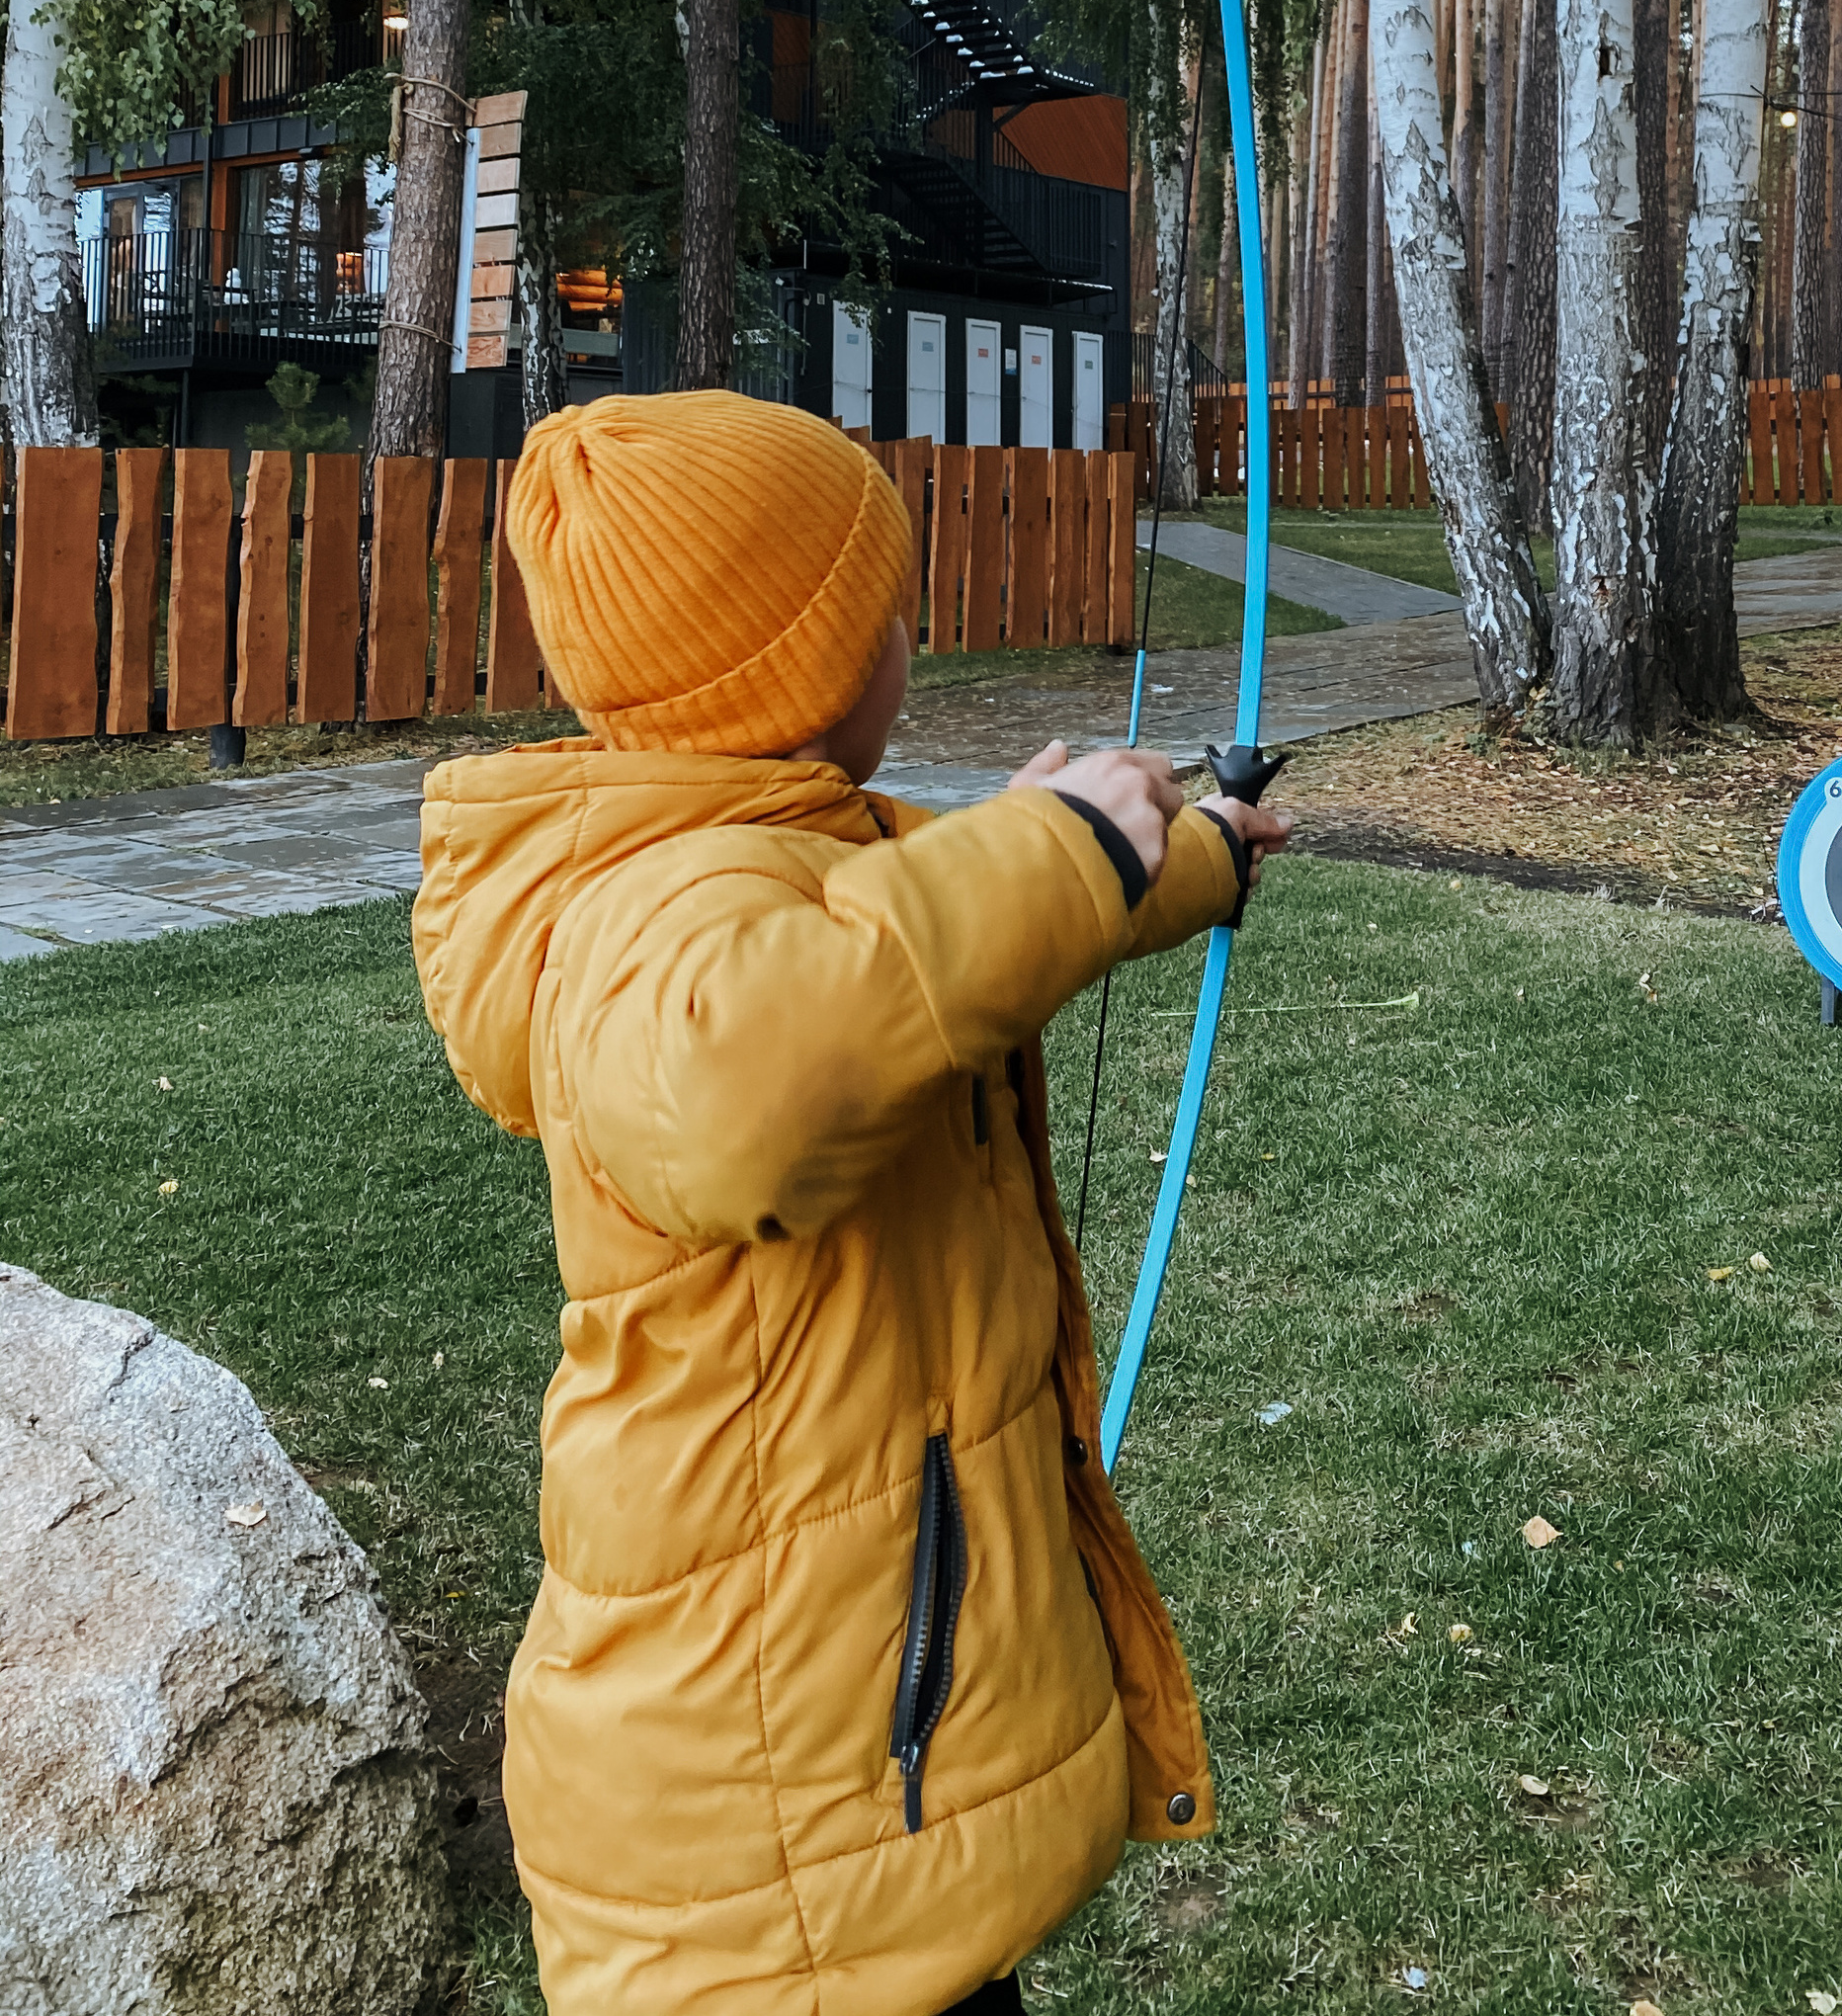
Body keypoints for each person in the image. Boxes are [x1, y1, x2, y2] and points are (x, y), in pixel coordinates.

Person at [412, 389, 1291, 2015]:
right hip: (756, 1813)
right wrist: (1044, 853)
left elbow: (947, 941)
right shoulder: (654, 915)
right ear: (804, 670)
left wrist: (1191, 850)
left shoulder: (786, 863)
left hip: (832, 1771)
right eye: (885, 605)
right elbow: (759, 1083)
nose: (911, 626)